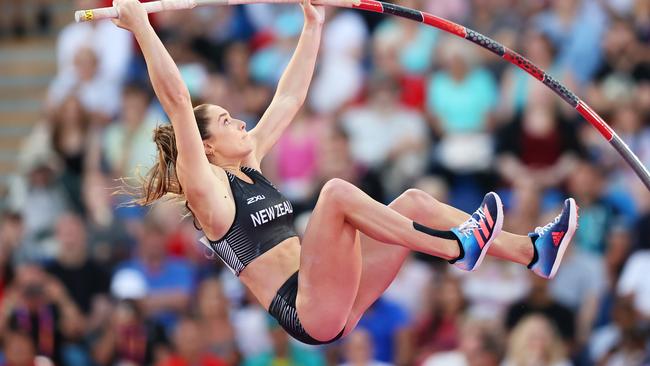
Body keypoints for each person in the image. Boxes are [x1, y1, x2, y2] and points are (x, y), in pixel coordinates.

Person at [113, 0, 578, 346]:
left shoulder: (248, 161)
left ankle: (532, 251)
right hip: (306, 308)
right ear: (206, 145)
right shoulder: (207, 191)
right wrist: (140, 27)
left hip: (332, 292)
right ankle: (456, 248)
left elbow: (290, 98)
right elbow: (176, 100)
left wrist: (312, 24)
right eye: (225, 121)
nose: (239, 121)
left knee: (414, 201)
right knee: (334, 192)